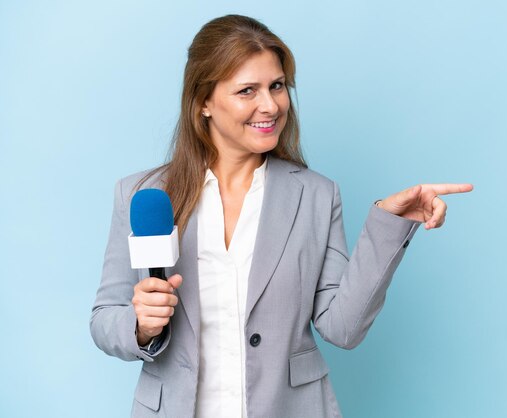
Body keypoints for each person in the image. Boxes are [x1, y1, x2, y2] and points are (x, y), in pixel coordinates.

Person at [90, 14, 472, 418]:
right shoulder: (142, 195)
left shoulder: (317, 195)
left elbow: (342, 328)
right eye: (247, 91)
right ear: (203, 102)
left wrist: (389, 224)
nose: (270, 105)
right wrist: (140, 326)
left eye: (277, 86)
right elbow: (104, 320)